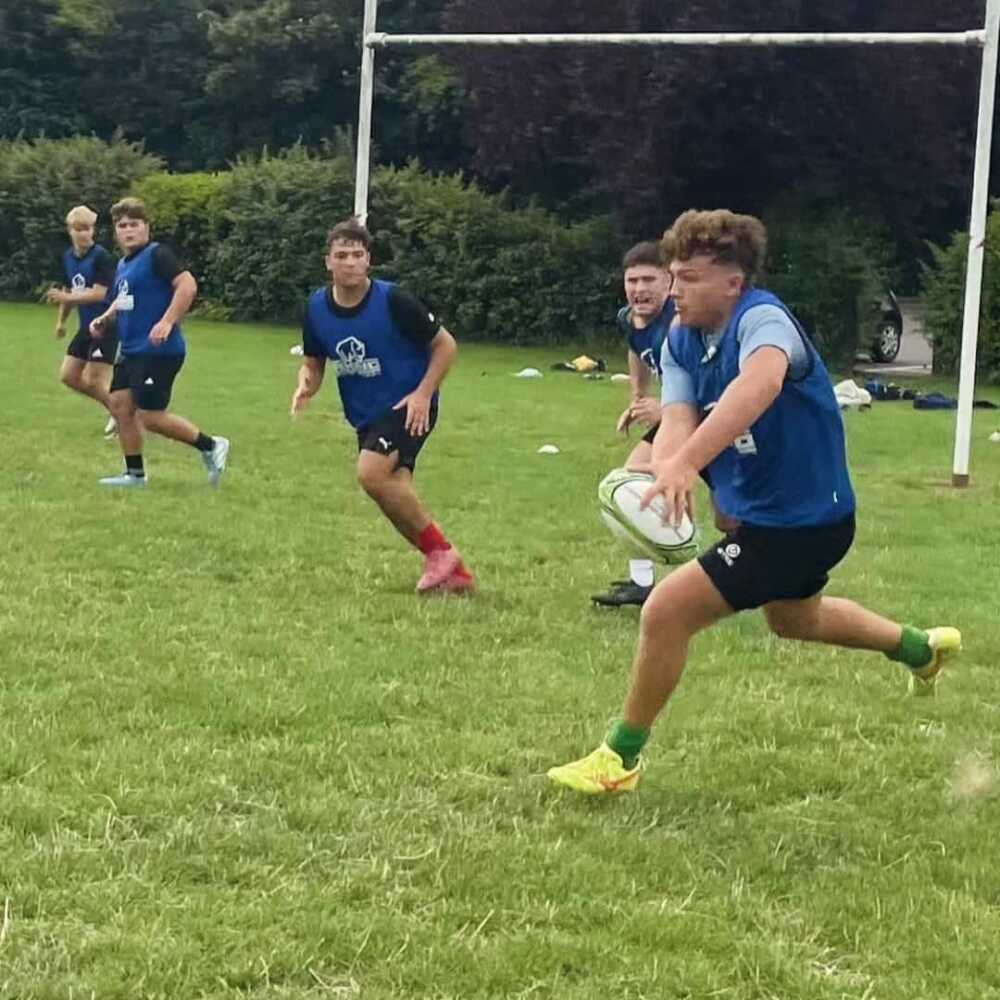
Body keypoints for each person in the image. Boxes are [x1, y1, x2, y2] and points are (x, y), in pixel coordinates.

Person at [549, 209, 960, 795]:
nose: (674, 289)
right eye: (673, 275)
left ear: (733, 282)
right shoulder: (681, 337)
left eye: (689, 278)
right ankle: (921, 649)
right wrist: (667, 468)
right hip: (767, 516)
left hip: (803, 522)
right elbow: (679, 414)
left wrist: (688, 464)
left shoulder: (763, 321)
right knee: (795, 620)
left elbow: (758, 385)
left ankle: (619, 759)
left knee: (665, 611)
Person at [291, 217, 474, 594]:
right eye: (342, 255)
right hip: (366, 415)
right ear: (328, 262)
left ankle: (442, 553)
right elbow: (314, 361)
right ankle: (455, 575)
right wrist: (306, 384)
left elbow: (445, 346)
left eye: (357, 255)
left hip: (409, 403)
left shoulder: (394, 300)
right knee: (391, 491)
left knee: (371, 473)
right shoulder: (316, 308)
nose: (350, 262)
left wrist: (423, 394)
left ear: (368, 260)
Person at [89, 197, 229, 488]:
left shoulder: (158, 255)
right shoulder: (124, 264)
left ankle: (212, 445)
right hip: (131, 350)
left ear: (146, 227)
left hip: (158, 350)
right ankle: (134, 475)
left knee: (150, 417)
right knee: (120, 406)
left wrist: (167, 321)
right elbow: (123, 300)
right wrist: (105, 319)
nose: (128, 230)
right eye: (122, 225)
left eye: (134, 224)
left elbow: (187, 285)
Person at [592, 241, 676, 608]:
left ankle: (754, 577)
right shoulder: (629, 318)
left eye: (648, 280)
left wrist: (668, 410)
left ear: (669, 281)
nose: (639, 289)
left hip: (708, 418)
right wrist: (638, 398)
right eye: (632, 280)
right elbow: (636, 350)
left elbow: (703, 381)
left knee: (732, 514)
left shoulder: (679, 324)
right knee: (630, 486)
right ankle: (642, 584)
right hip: (678, 417)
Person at [47, 205, 118, 436]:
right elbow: (68, 291)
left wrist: (66, 297)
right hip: (85, 326)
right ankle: (119, 410)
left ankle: (124, 415)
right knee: (68, 376)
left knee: (96, 381)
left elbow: (99, 294)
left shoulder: (101, 257)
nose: (84, 234)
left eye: (88, 229)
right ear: (70, 230)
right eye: (79, 229)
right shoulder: (68, 257)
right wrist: (61, 322)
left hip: (105, 325)